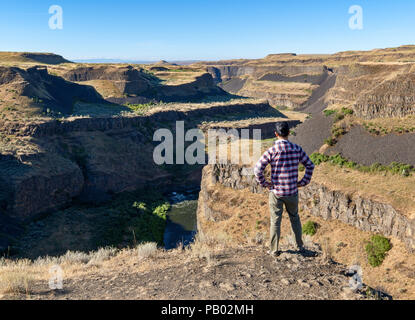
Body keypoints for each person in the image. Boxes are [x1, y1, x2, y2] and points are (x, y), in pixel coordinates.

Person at [254, 121, 315, 256]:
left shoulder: (272, 151)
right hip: (292, 191)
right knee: (295, 218)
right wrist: (303, 182)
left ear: (275, 134)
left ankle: (274, 250)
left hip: (276, 192)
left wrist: (265, 184)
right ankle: (300, 247)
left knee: (275, 220)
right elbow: (310, 165)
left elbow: (257, 169)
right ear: (288, 133)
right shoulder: (297, 149)